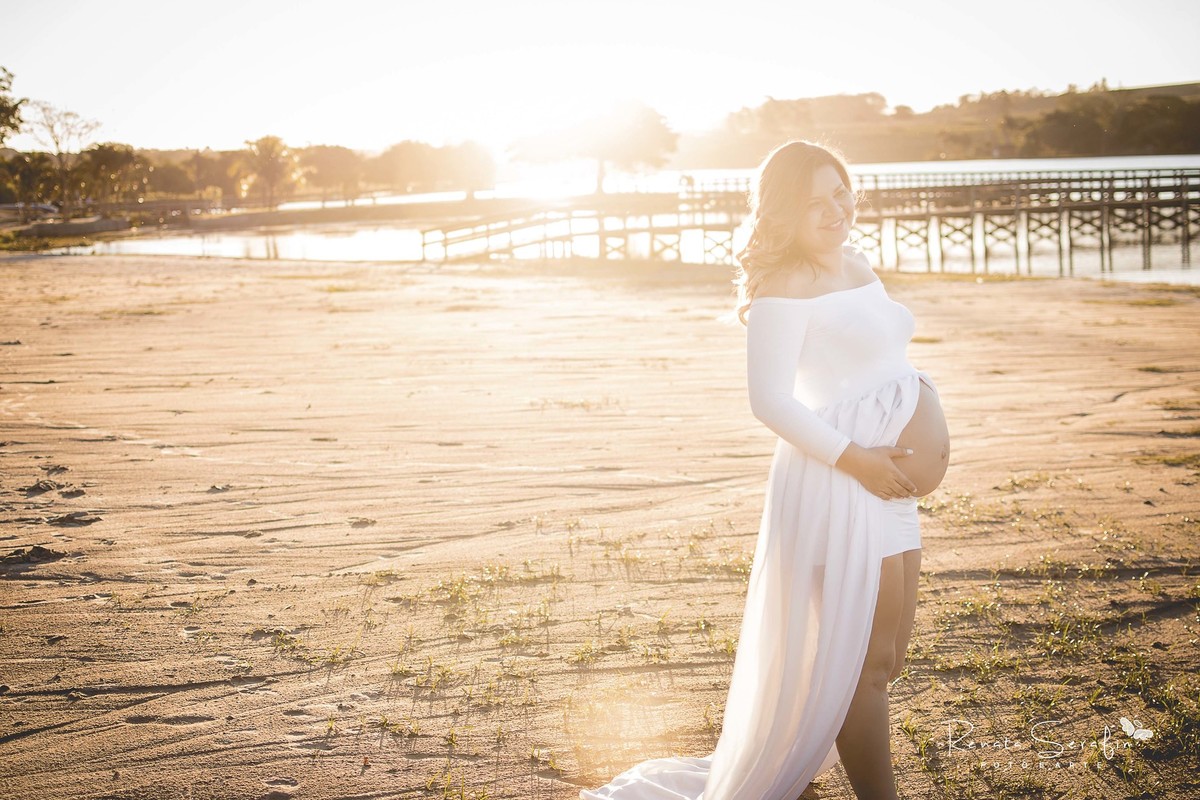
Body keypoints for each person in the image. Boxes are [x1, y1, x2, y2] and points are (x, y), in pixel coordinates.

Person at [580, 139, 949, 800]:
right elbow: (770, 400)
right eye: (815, 202)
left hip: (889, 488)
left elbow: (880, 360)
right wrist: (858, 459)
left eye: (841, 191)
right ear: (784, 212)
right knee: (860, 666)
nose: (836, 209)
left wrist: (923, 397)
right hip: (843, 482)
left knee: (885, 659)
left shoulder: (858, 263)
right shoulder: (786, 284)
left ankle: (795, 765)